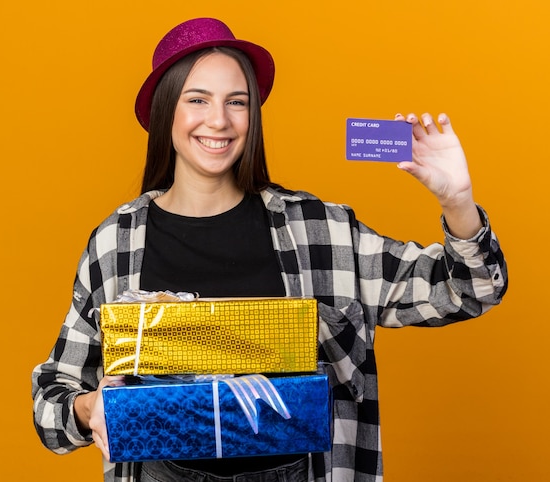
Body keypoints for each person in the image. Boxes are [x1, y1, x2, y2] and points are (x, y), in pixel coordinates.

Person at [32, 17, 507, 482]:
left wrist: (457, 201)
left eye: (236, 102)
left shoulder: (320, 229)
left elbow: (469, 289)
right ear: (165, 111)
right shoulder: (115, 243)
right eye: (197, 99)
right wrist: (86, 408)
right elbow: (51, 401)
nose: (218, 120)